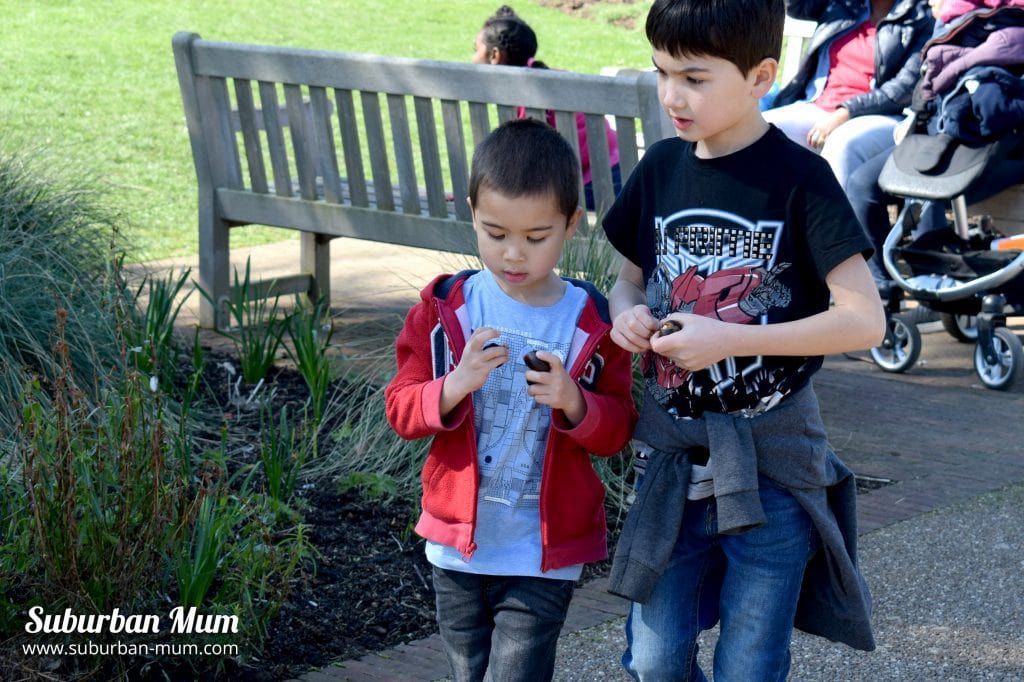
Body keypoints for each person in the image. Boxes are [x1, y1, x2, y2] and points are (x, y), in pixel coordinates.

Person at [600, 0, 886, 679]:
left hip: (773, 467)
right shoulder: (662, 166)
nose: (673, 95)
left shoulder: (802, 181)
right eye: (662, 72)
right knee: (654, 659)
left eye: (695, 77)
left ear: (761, 76)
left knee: (750, 664)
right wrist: (627, 316)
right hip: (673, 463)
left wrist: (726, 342)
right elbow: (626, 283)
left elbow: (864, 320)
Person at [384, 118, 637, 682]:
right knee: (468, 671)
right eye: (495, 234)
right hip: (457, 545)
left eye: (535, 236)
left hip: (543, 552)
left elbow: (618, 426)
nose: (513, 254)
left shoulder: (589, 321)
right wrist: (454, 385)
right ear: (472, 212)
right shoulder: (447, 310)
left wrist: (575, 403)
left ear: (572, 224)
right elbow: (400, 407)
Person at [763, 0, 935, 188]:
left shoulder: (921, 18)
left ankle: (832, 217)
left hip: (881, 115)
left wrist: (846, 112)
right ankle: (752, 215)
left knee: (841, 143)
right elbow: (797, 6)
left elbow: (903, 89)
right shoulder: (843, 4)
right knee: (761, 130)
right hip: (819, 106)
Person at [472, 5, 622, 211]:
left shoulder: (527, 100)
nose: (472, 57)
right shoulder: (544, 79)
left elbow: (522, 168)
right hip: (615, 170)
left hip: (591, 188)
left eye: (476, 49)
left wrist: (475, 191)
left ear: (495, 55)